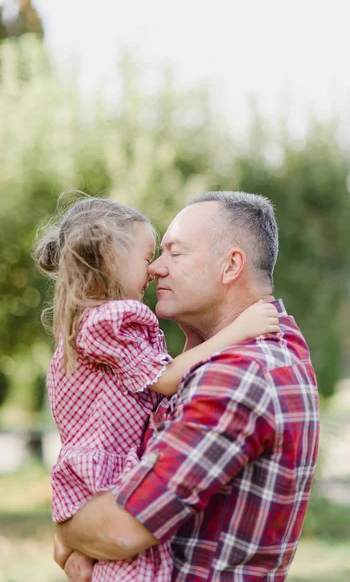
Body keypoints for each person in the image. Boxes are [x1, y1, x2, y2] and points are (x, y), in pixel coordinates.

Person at [54, 191, 320, 582]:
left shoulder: (239, 376)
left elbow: (124, 527)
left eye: (174, 254)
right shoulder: (257, 354)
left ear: (230, 266)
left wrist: (65, 529)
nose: (157, 268)